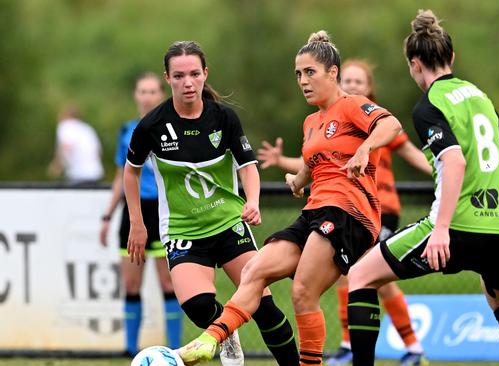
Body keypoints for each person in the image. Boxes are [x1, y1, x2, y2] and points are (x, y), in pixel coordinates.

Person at [176, 31, 402, 366]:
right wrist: (297, 180)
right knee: (255, 270)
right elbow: (315, 165)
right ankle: (211, 340)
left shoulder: (351, 104)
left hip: (348, 212)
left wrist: (366, 148)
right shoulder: (311, 121)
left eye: (310, 72)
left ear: (333, 72)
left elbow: (392, 125)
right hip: (316, 209)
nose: (303, 81)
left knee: (302, 293)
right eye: (298, 74)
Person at [346, 9, 499, 366]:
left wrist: (443, 229)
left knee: (360, 275)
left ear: (414, 63)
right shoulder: (480, 97)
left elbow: (455, 161)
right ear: (452, 57)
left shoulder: (429, 105)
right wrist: (489, 201)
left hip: (456, 228)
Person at [123, 41, 298, 366]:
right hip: (183, 229)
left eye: (193, 74)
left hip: (228, 222)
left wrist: (254, 201)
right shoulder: (151, 125)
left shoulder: (224, 118)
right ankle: (225, 333)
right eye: (179, 76)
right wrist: (137, 222)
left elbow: (248, 166)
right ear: (168, 78)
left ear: (205, 74)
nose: (187, 82)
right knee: (197, 306)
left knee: (263, 306)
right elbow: (130, 173)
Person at [257, 59, 432, 366]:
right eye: (348, 81)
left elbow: (410, 150)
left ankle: (412, 346)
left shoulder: (368, 118)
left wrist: (441, 172)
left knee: (372, 278)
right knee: (349, 276)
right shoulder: (328, 119)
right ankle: (353, 345)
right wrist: (283, 162)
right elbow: (314, 162)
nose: (351, 86)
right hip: (343, 206)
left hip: (378, 209)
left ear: (369, 90)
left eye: (358, 82)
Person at [99, 72, 182, 357]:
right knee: (131, 284)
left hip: (161, 212)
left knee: (168, 282)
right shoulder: (127, 131)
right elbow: (119, 177)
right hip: (132, 213)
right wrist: (107, 216)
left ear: (161, 95)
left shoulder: (171, 128)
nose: (147, 96)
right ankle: (130, 349)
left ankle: (174, 349)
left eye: (152, 91)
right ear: (136, 95)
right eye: (142, 91)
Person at [48, 103, 104, 185]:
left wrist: (57, 166)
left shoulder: (65, 126)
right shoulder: (87, 128)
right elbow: (98, 152)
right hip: (95, 172)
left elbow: (66, 146)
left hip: (78, 173)